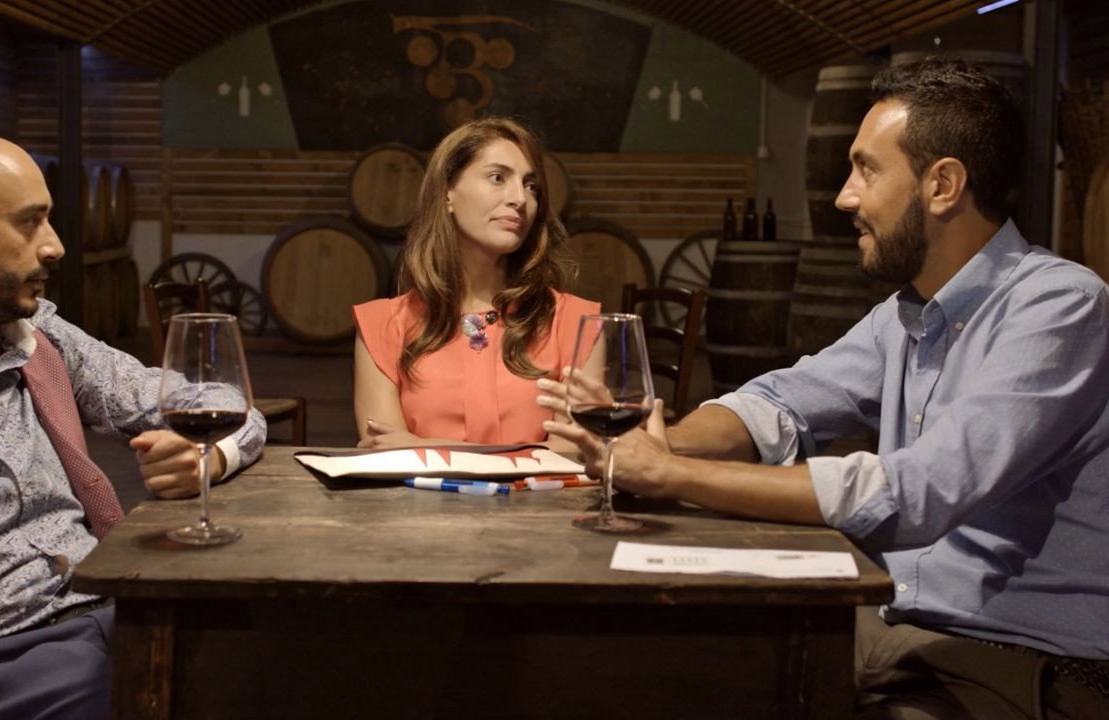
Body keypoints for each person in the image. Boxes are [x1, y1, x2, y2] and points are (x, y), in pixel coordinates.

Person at [544, 57, 1109, 719]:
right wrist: (659, 441)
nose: (844, 197)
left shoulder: (1061, 308)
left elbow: (918, 492)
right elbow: (779, 401)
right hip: (894, 628)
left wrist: (673, 473)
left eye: (866, 169)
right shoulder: (905, 316)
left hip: (1018, 664)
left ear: (943, 185)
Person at [0, 130, 268, 720]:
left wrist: (209, 456)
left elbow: (226, 401)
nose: (56, 245)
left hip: (107, 619)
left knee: (283, 659)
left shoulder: (42, 341)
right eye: (30, 222)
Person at [353, 117, 597, 448]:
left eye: (531, 186)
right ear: (447, 193)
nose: (520, 198)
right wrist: (522, 455)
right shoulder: (382, 325)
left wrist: (424, 446)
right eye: (498, 178)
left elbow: (570, 454)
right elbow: (385, 456)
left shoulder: (575, 323)